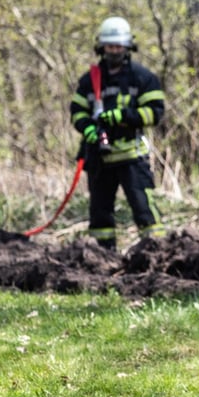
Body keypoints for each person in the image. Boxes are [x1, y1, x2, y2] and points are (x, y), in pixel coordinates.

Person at [69, 16, 166, 250]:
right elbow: (77, 112)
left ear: (127, 46)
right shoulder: (89, 80)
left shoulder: (142, 78)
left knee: (144, 210)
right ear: (101, 47)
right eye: (110, 46)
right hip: (99, 158)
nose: (114, 50)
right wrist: (88, 128)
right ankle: (102, 260)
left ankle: (158, 254)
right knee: (100, 215)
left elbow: (155, 112)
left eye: (118, 46)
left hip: (132, 156)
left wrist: (124, 117)